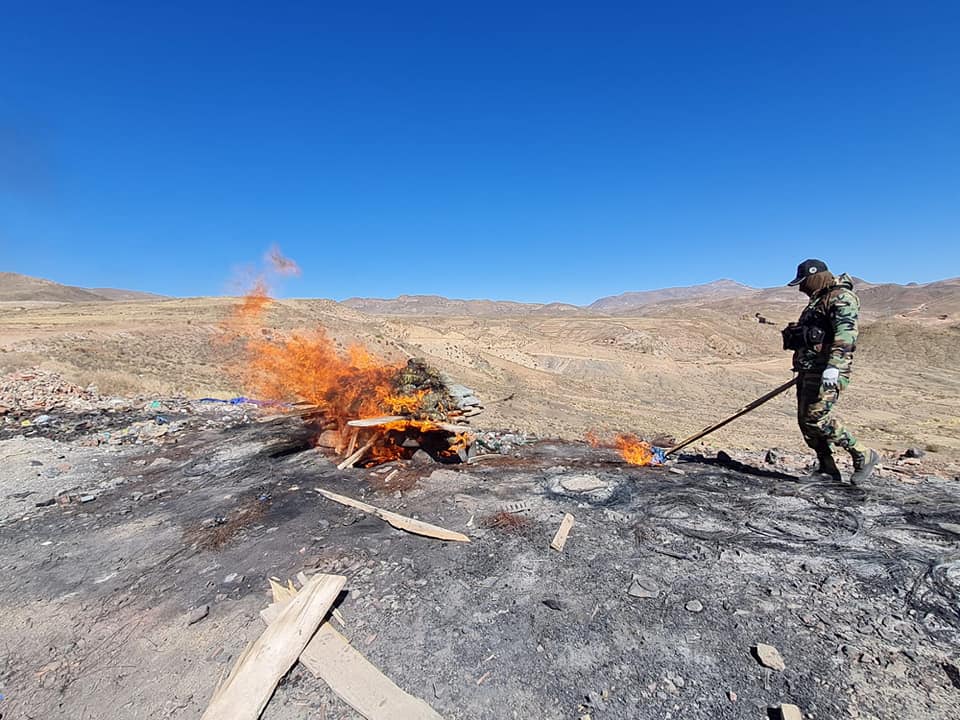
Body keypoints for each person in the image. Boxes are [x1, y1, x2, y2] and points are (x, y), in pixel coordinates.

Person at [782, 259, 879, 484]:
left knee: (817, 419)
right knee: (805, 422)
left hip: (827, 370)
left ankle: (863, 454)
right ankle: (827, 469)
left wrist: (834, 367)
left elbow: (845, 336)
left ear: (816, 277)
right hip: (809, 369)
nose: (801, 288)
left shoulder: (842, 298)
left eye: (804, 282)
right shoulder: (818, 300)